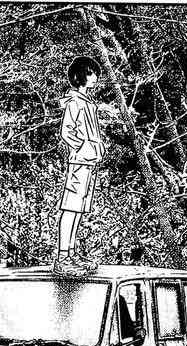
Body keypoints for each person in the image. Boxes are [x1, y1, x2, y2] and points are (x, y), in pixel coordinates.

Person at [53, 55, 105, 277]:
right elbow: (67, 132)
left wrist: (95, 150)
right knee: (71, 208)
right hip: (79, 161)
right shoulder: (74, 101)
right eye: (91, 74)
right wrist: (84, 147)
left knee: (79, 209)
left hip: (89, 161)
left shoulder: (87, 102)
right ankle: (63, 257)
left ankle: (71, 253)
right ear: (81, 76)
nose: (95, 78)